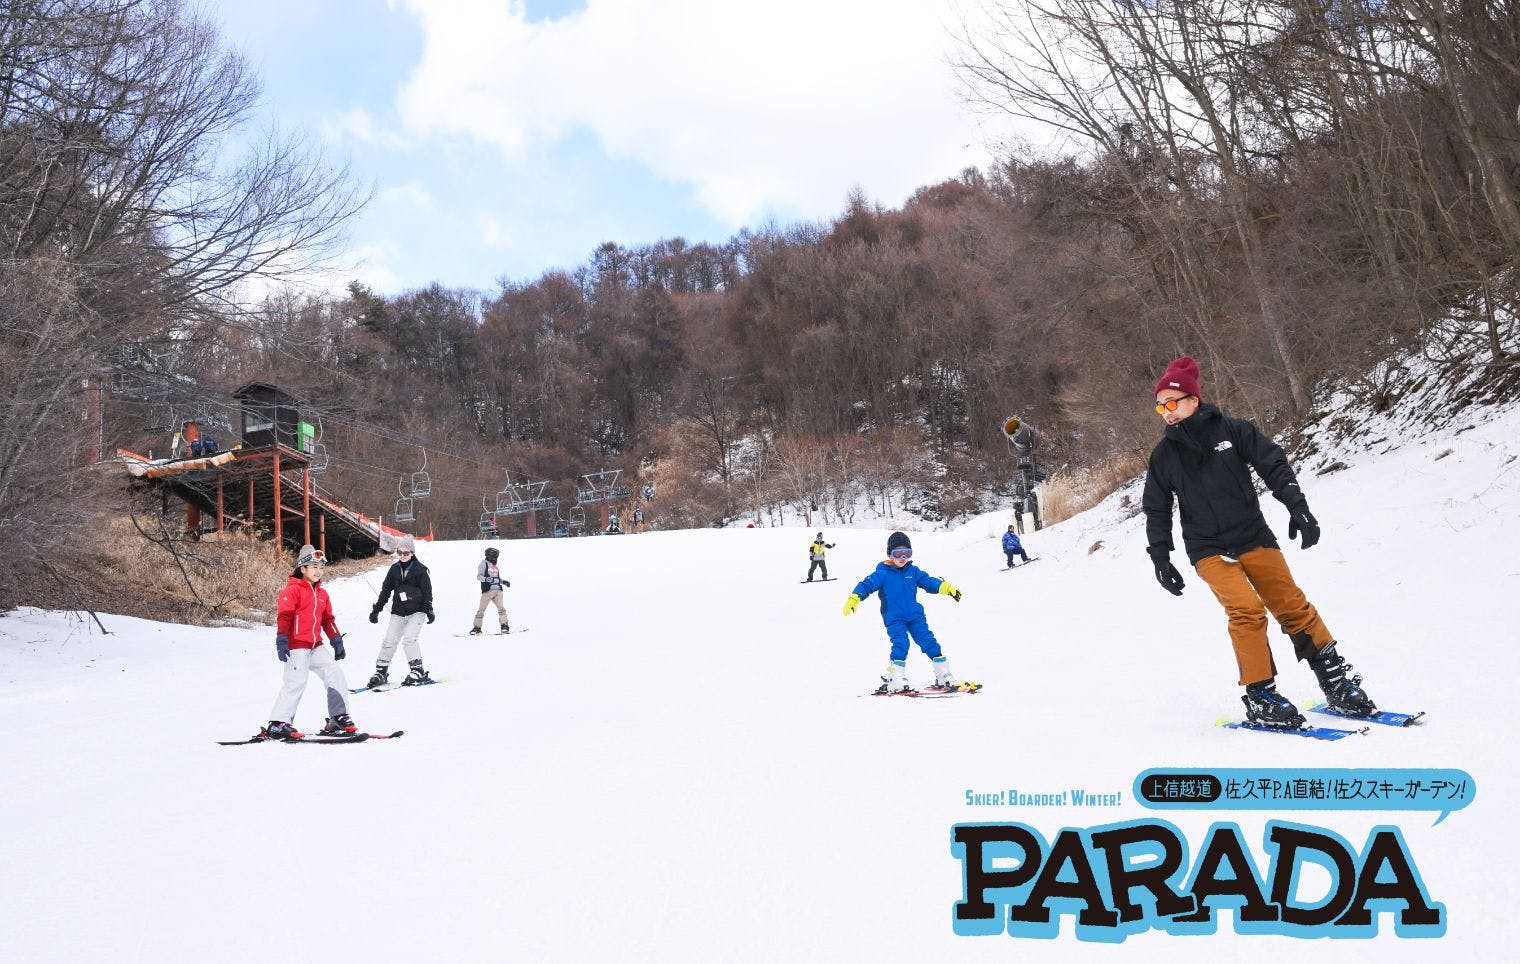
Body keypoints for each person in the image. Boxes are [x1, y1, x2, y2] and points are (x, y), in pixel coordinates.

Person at [1143, 355, 1378, 728]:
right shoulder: (1164, 456)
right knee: (1246, 611)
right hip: (1208, 549)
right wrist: (1161, 557)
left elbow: (1273, 464)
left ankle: (1335, 683)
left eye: (1172, 403)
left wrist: (1297, 506)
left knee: (1293, 606)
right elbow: (1156, 509)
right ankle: (1261, 695)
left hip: (1253, 536)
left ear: (1194, 400)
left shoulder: (1233, 431)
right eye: (1160, 406)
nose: (1166, 412)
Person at [843, 531, 970, 693]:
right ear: (889, 554)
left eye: (907, 553)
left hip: (915, 615)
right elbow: (866, 585)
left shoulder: (913, 571)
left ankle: (942, 674)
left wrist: (947, 588)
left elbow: (928, 581)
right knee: (901, 643)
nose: (903, 557)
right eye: (898, 553)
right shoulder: (882, 574)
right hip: (894, 618)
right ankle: (895, 677)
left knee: (928, 641)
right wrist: (855, 598)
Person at [261, 545, 358, 739]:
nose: (318, 571)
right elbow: (284, 617)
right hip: (296, 646)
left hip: (315, 646)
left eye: (321, 567)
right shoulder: (292, 591)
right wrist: (281, 640)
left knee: (335, 673)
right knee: (296, 682)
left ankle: (338, 717)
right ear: (302, 569)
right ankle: (278, 723)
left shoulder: (322, 594)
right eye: (314, 566)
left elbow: (328, 620)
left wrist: (336, 640)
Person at [365, 535, 436, 688]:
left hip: (417, 611)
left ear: (412, 553)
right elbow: (385, 591)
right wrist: (377, 610)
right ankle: (381, 672)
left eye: (406, 553)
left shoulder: (421, 571)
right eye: (399, 552)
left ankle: (418, 670)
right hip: (398, 612)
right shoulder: (394, 569)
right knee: (389, 641)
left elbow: (427, 592)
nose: (402, 556)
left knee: (410, 639)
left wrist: (429, 609)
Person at [471, 545, 510, 634]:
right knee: (481, 609)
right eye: (495, 555)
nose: (496, 558)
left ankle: (504, 625)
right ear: (490, 555)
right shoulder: (483, 564)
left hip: (498, 591)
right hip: (488, 591)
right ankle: (477, 627)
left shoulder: (495, 566)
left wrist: (503, 582)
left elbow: (497, 578)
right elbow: (479, 577)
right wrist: (486, 579)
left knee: (501, 609)